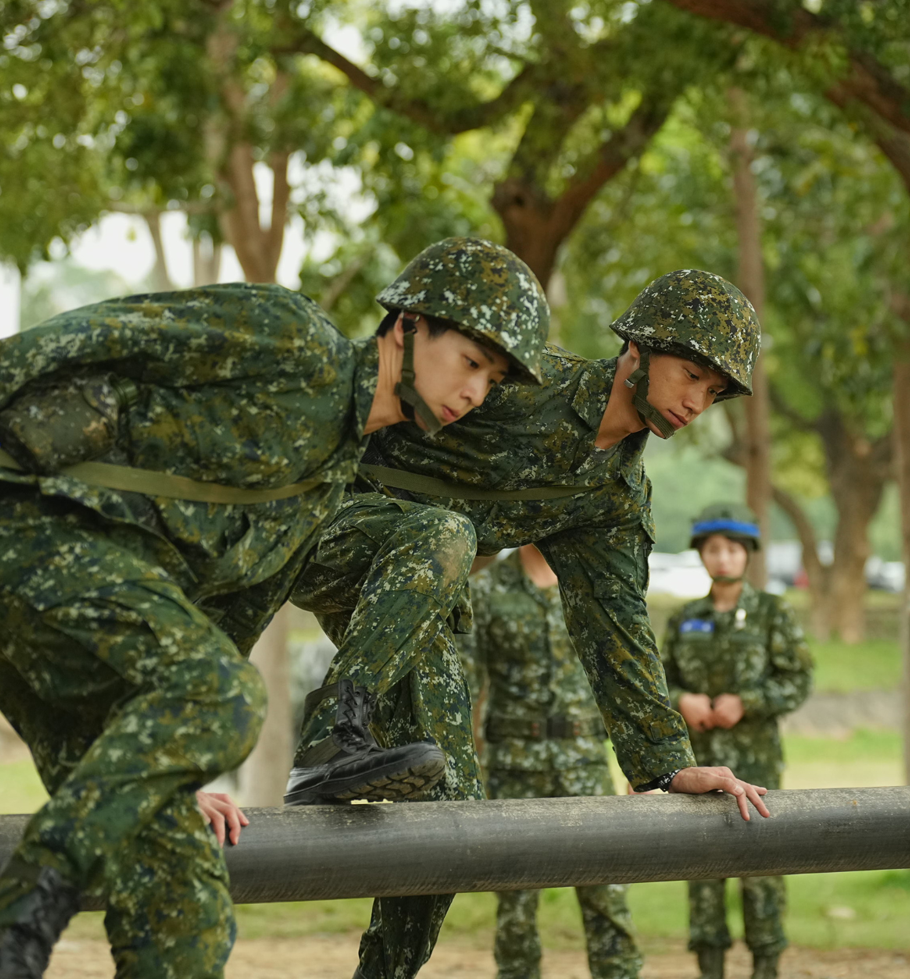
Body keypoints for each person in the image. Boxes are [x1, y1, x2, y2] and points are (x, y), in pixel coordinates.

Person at [0, 237, 550, 979]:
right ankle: (4, 937)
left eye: (491, 379)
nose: (475, 392)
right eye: (469, 361)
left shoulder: (329, 478)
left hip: (91, 620)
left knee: (185, 910)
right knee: (228, 693)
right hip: (28, 536)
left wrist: (178, 754)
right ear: (408, 325)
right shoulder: (294, 337)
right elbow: (105, 330)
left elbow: (219, 626)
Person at [286, 269, 774, 979]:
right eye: (691, 374)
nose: (698, 402)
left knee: (454, 820)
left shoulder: (612, 498)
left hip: (412, 593)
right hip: (318, 518)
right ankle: (332, 732)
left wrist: (665, 763)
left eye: (715, 391)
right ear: (637, 349)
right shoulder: (520, 381)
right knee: (446, 533)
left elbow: (617, 633)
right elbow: (384, 376)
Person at [465, 544, 644, 979]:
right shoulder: (484, 590)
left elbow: (623, 678)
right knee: (515, 902)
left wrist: (642, 766)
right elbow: (464, 686)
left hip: (585, 763)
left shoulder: (593, 583)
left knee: (607, 893)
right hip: (513, 767)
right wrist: (465, 769)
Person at [662, 503, 812, 979]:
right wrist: (682, 698)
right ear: (701, 556)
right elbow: (659, 680)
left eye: (732, 549)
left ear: (748, 555)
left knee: (763, 870)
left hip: (757, 763)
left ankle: (766, 966)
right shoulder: (686, 618)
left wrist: (748, 701)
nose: (723, 558)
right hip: (699, 766)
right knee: (702, 872)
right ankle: (709, 967)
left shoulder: (772, 613)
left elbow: (797, 679)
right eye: (713, 550)